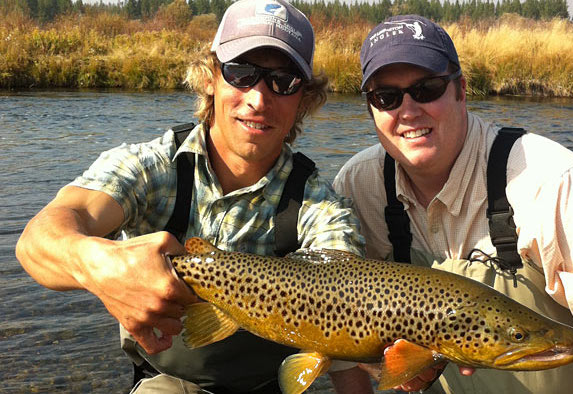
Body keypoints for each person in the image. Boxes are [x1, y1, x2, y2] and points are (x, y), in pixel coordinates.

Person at [15, 0, 373, 392]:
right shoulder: (150, 167)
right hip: (165, 381)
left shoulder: (322, 206)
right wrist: (97, 264)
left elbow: (345, 292)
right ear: (210, 78)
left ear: (303, 98)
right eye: (241, 73)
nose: (258, 99)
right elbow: (37, 241)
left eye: (283, 81)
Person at [334, 14, 573, 394]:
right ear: (371, 108)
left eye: (426, 89)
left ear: (460, 89)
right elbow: (333, 320)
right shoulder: (359, 186)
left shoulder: (555, 185)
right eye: (387, 97)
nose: (408, 111)